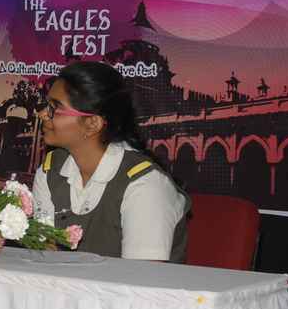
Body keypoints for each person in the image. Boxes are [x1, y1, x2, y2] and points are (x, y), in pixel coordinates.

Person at [31, 61, 190, 261]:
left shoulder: (145, 185)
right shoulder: (50, 170)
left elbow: (142, 276)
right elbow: (44, 259)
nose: (42, 114)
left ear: (92, 124)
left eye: (55, 108)